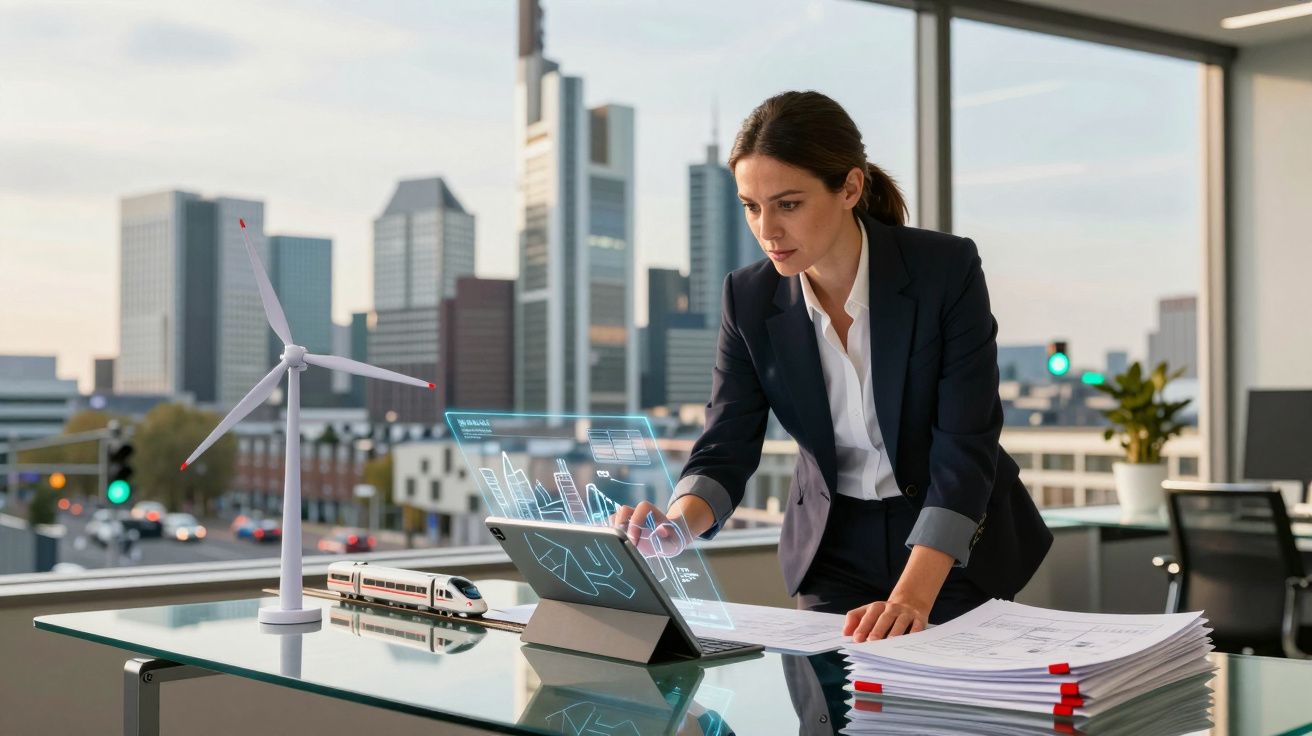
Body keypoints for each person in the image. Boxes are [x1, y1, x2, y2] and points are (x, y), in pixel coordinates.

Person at [613, 90, 1052, 642]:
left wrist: (912, 597)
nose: (767, 229)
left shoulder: (945, 269)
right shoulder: (747, 298)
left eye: (788, 204)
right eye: (751, 206)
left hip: (951, 547)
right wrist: (678, 526)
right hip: (833, 543)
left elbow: (965, 446)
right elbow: (726, 444)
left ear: (849, 187)